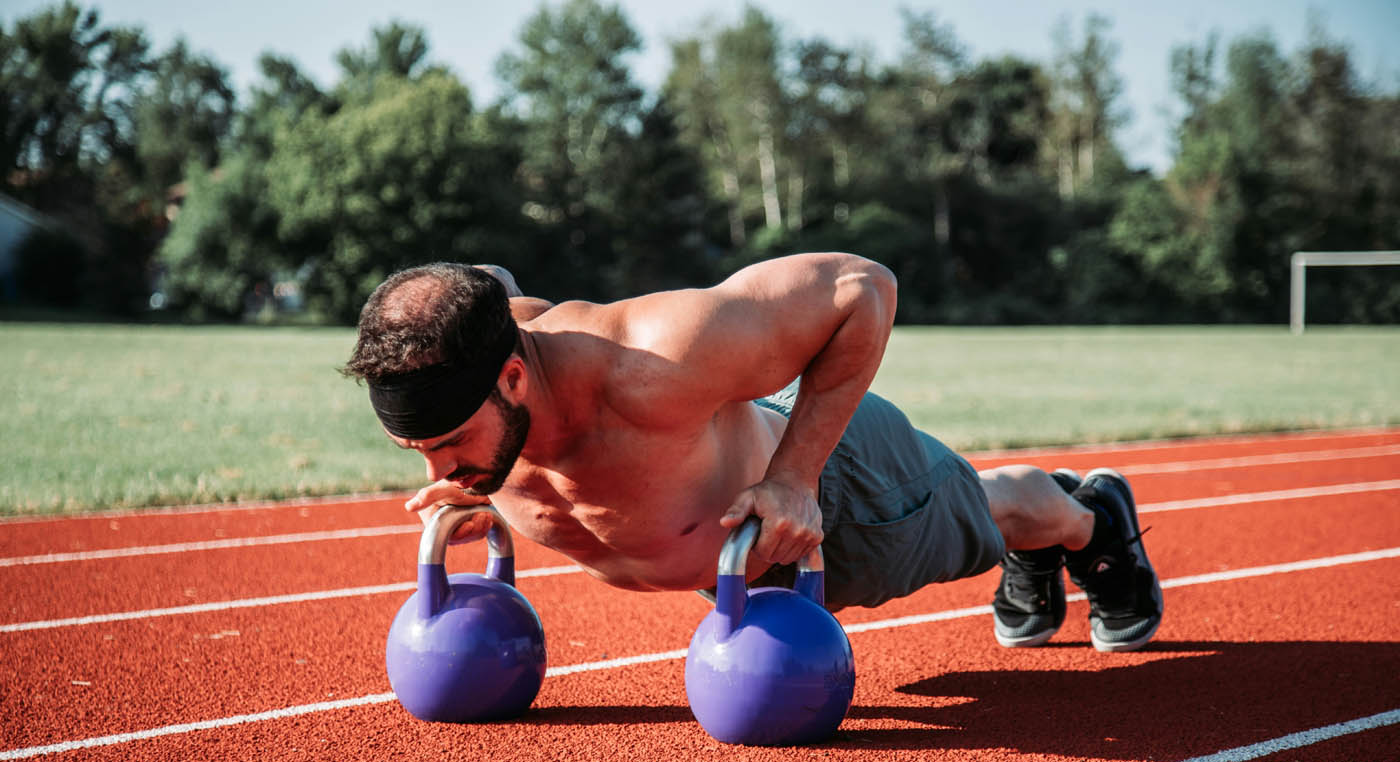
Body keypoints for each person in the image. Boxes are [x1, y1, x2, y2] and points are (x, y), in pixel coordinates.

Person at [342, 255, 1163, 652]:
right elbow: (485, 275)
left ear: (515, 377)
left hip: (844, 499)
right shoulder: (479, 357)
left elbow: (862, 289)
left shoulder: (653, 358)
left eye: (449, 447)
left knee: (989, 511)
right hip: (735, 545)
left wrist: (796, 477)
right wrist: (472, 470)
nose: (436, 477)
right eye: (416, 451)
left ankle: (1087, 519)